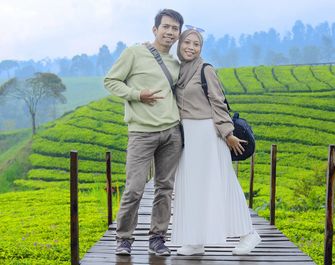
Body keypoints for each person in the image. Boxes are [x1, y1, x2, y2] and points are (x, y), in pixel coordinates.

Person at [171, 29, 261, 255]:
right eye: (187, 42)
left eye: (196, 44)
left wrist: (227, 133)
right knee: (192, 187)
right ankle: (195, 240)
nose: (191, 47)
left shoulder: (205, 70)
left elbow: (218, 103)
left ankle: (249, 234)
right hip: (188, 136)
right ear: (179, 44)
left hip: (209, 133)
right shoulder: (179, 70)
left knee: (223, 183)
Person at [103, 9, 184, 256]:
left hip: (171, 133)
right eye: (166, 27)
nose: (170, 32)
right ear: (155, 29)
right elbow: (110, 81)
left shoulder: (175, 63)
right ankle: (124, 239)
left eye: (175, 29)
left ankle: (157, 238)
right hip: (141, 133)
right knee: (134, 188)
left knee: (165, 188)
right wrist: (137, 95)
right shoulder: (134, 52)